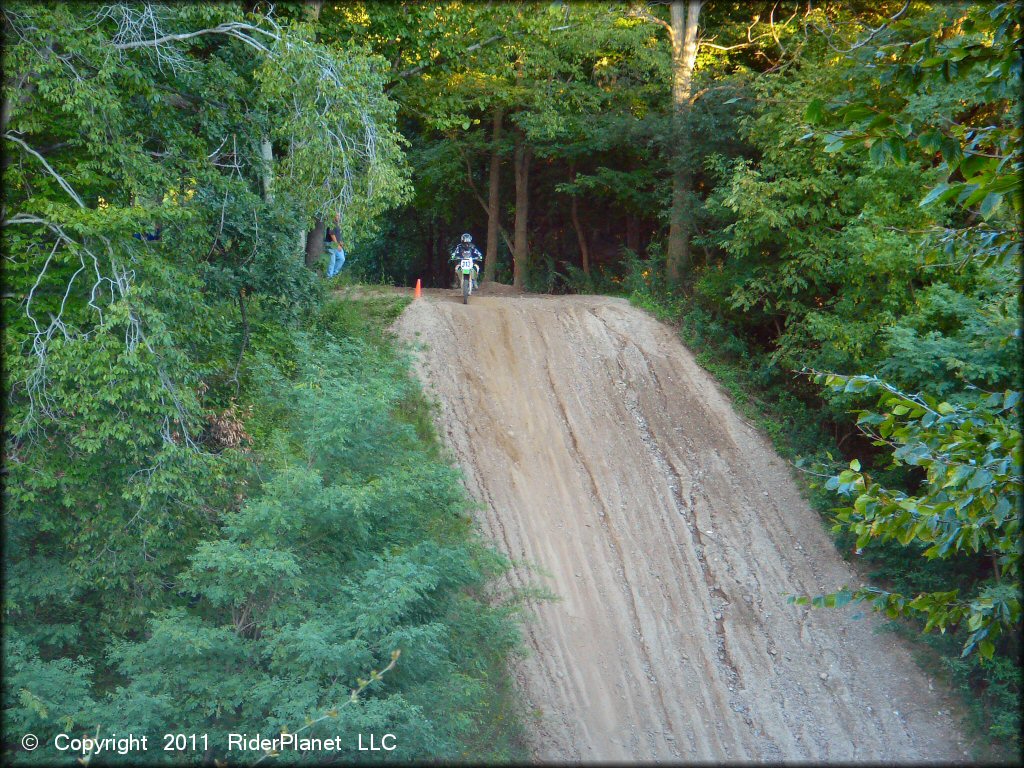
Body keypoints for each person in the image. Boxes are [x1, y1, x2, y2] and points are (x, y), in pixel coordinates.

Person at [325, 213, 346, 278]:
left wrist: (341, 242)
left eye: (339, 215)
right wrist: (337, 245)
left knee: (341, 259)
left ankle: (333, 276)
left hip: (336, 244)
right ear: (333, 216)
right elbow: (332, 234)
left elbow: (337, 234)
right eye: (337, 215)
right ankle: (329, 278)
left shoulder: (337, 224)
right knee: (332, 262)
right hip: (331, 244)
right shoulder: (331, 223)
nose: (339, 217)